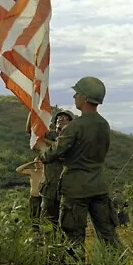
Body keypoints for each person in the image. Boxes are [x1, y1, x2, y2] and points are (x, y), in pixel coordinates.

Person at [34, 77, 120, 250]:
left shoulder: (74, 127)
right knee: (108, 235)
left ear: (86, 97)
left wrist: (42, 155)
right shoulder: (104, 125)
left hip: (75, 189)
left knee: (73, 238)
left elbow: (56, 151)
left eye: (77, 93)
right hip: (99, 186)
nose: (74, 96)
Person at [39, 110, 74, 230]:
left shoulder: (74, 138)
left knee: (66, 226)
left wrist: (50, 144)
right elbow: (32, 132)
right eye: (59, 117)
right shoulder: (49, 134)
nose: (61, 119)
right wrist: (33, 110)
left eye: (65, 118)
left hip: (67, 189)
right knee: (47, 226)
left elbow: (62, 152)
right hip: (49, 188)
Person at [16, 158, 43, 229]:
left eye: (39, 162)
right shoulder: (32, 172)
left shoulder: (46, 172)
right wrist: (30, 163)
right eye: (36, 163)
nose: (38, 164)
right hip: (34, 198)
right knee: (34, 217)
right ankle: (35, 233)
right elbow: (18, 170)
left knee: (44, 217)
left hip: (44, 197)